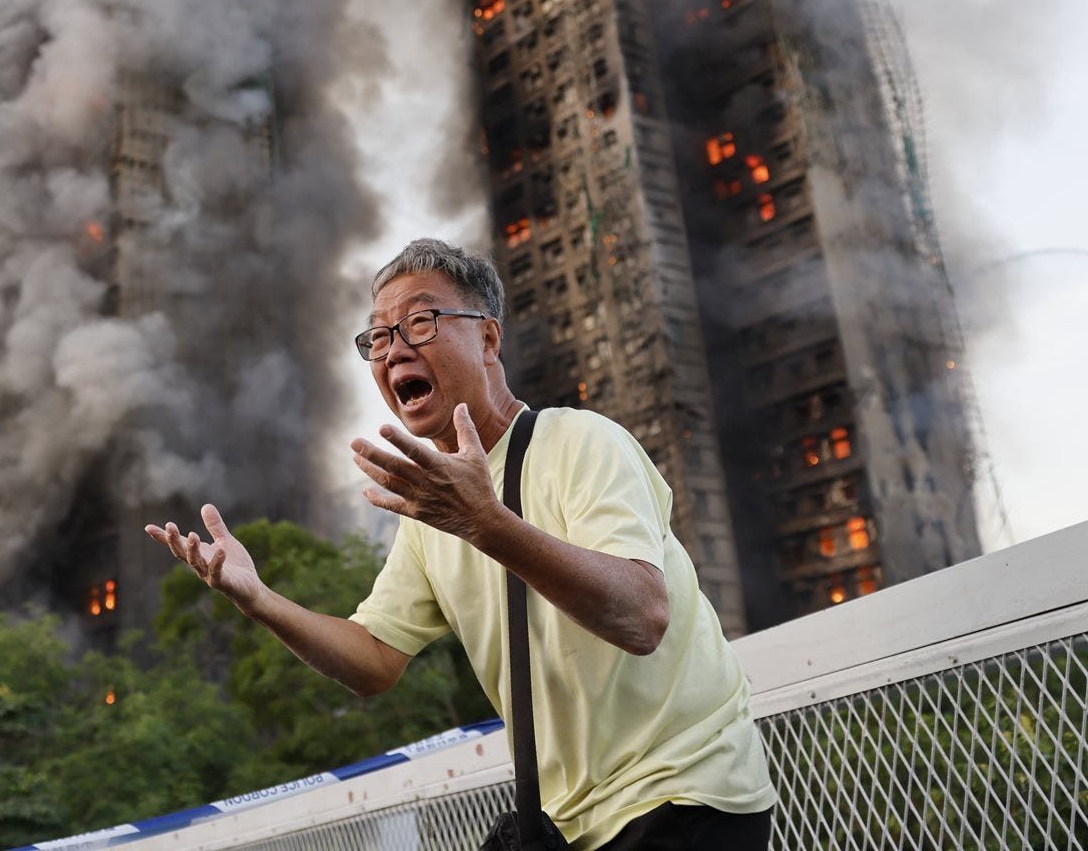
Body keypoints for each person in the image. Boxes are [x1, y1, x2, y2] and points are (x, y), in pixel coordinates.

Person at [147, 238, 776, 850]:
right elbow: (373, 661)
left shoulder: (582, 442)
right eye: (379, 336)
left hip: (683, 795)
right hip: (568, 824)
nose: (394, 350)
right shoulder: (430, 512)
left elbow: (642, 617)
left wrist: (484, 522)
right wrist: (259, 600)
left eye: (420, 322)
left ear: (489, 338)